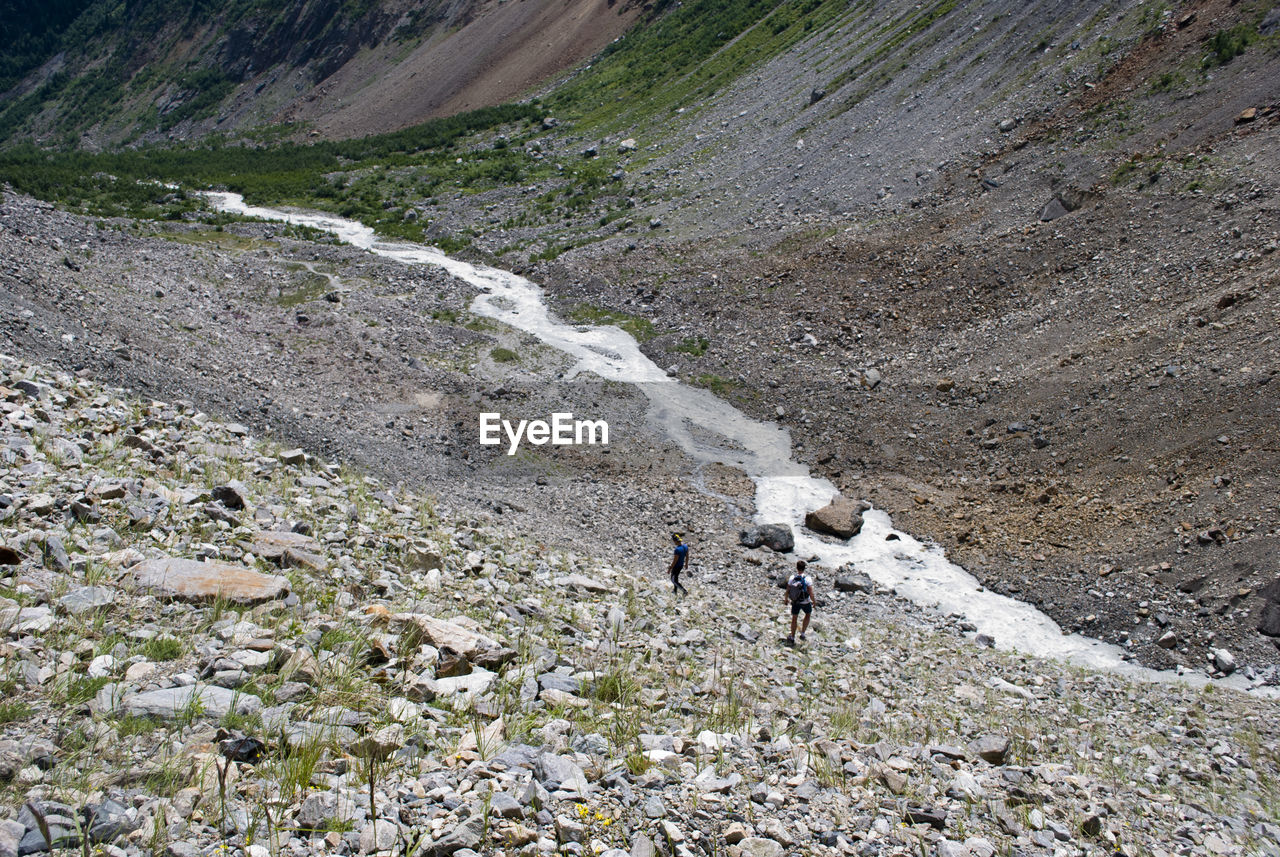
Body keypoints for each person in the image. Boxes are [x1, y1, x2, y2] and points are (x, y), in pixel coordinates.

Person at [784, 559, 815, 645]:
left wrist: (786, 599)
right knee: (808, 614)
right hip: (805, 601)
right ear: (804, 568)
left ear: (797, 568)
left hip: (795, 601)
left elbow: (788, 589)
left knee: (794, 618)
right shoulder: (807, 578)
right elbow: (811, 592)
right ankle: (803, 633)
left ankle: (792, 636)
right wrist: (814, 601)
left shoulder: (792, 578)